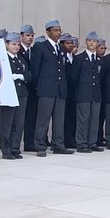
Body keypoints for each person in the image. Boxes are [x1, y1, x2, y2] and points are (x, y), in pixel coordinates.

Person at [30, 20, 71, 156]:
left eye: (59, 30)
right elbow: (36, 70)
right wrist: (39, 86)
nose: (58, 33)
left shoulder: (61, 48)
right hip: (46, 88)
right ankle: (40, 146)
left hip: (59, 89)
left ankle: (58, 144)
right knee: (43, 119)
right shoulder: (41, 47)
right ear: (48, 32)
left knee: (59, 119)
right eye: (55, 30)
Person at [70, 32, 103, 153]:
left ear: (97, 43)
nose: (92, 43)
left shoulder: (100, 59)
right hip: (83, 94)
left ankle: (92, 142)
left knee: (94, 119)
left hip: (96, 94)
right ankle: (81, 143)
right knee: (83, 119)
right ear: (86, 42)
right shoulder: (79, 58)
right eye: (90, 40)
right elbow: (73, 77)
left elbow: (102, 77)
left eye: (94, 41)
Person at [0, 33, 29, 160]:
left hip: (21, 93)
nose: (16, 47)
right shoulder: (3, 59)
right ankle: (6, 149)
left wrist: (22, 76)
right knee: (7, 123)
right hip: (8, 94)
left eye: (17, 44)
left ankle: (15, 148)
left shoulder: (21, 60)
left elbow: (29, 75)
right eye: (13, 44)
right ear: (7, 45)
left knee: (19, 123)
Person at [18, 25, 38, 152]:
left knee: (31, 117)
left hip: (32, 89)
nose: (30, 38)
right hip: (20, 88)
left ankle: (29, 143)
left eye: (31, 36)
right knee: (18, 119)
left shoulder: (34, 51)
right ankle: (14, 144)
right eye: (27, 35)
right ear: (22, 36)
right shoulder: (17, 50)